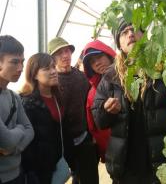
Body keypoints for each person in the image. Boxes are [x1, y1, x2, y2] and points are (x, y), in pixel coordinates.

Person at [91, 18, 166, 184]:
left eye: (134, 30)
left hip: (156, 165)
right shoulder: (111, 76)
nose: (130, 34)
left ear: (144, 36)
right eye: (124, 33)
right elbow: (99, 120)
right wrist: (106, 110)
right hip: (125, 167)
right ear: (119, 44)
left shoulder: (165, 69)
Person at [48, 37, 99, 184]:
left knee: (90, 179)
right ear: (52, 58)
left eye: (67, 51)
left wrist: (93, 133)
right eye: (59, 53)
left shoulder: (81, 77)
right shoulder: (51, 82)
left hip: (84, 139)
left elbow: (90, 106)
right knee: (74, 177)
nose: (65, 55)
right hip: (63, 144)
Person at [20, 52, 66, 184]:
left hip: (57, 161)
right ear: (34, 75)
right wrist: (31, 172)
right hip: (39, 170)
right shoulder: (28, 103)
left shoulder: (57, 96)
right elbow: (27, 144)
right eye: (47, 69)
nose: (53, 71)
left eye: (53, 67)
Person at [0, 35, 34, 184]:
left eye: (22, 62)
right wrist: (20, 129)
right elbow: (6, 141)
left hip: (16, 174)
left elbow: (30, 131)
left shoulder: (14, 96)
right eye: (14, 62)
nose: (20, 68)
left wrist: (13, 149)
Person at [81, 40, 116, 163]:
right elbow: (94, 129)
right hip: (115, 154)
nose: (96, 63)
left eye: (99, 56)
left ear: (108, 54)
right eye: (92, 62)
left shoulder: (130, 75)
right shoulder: (92, 95)